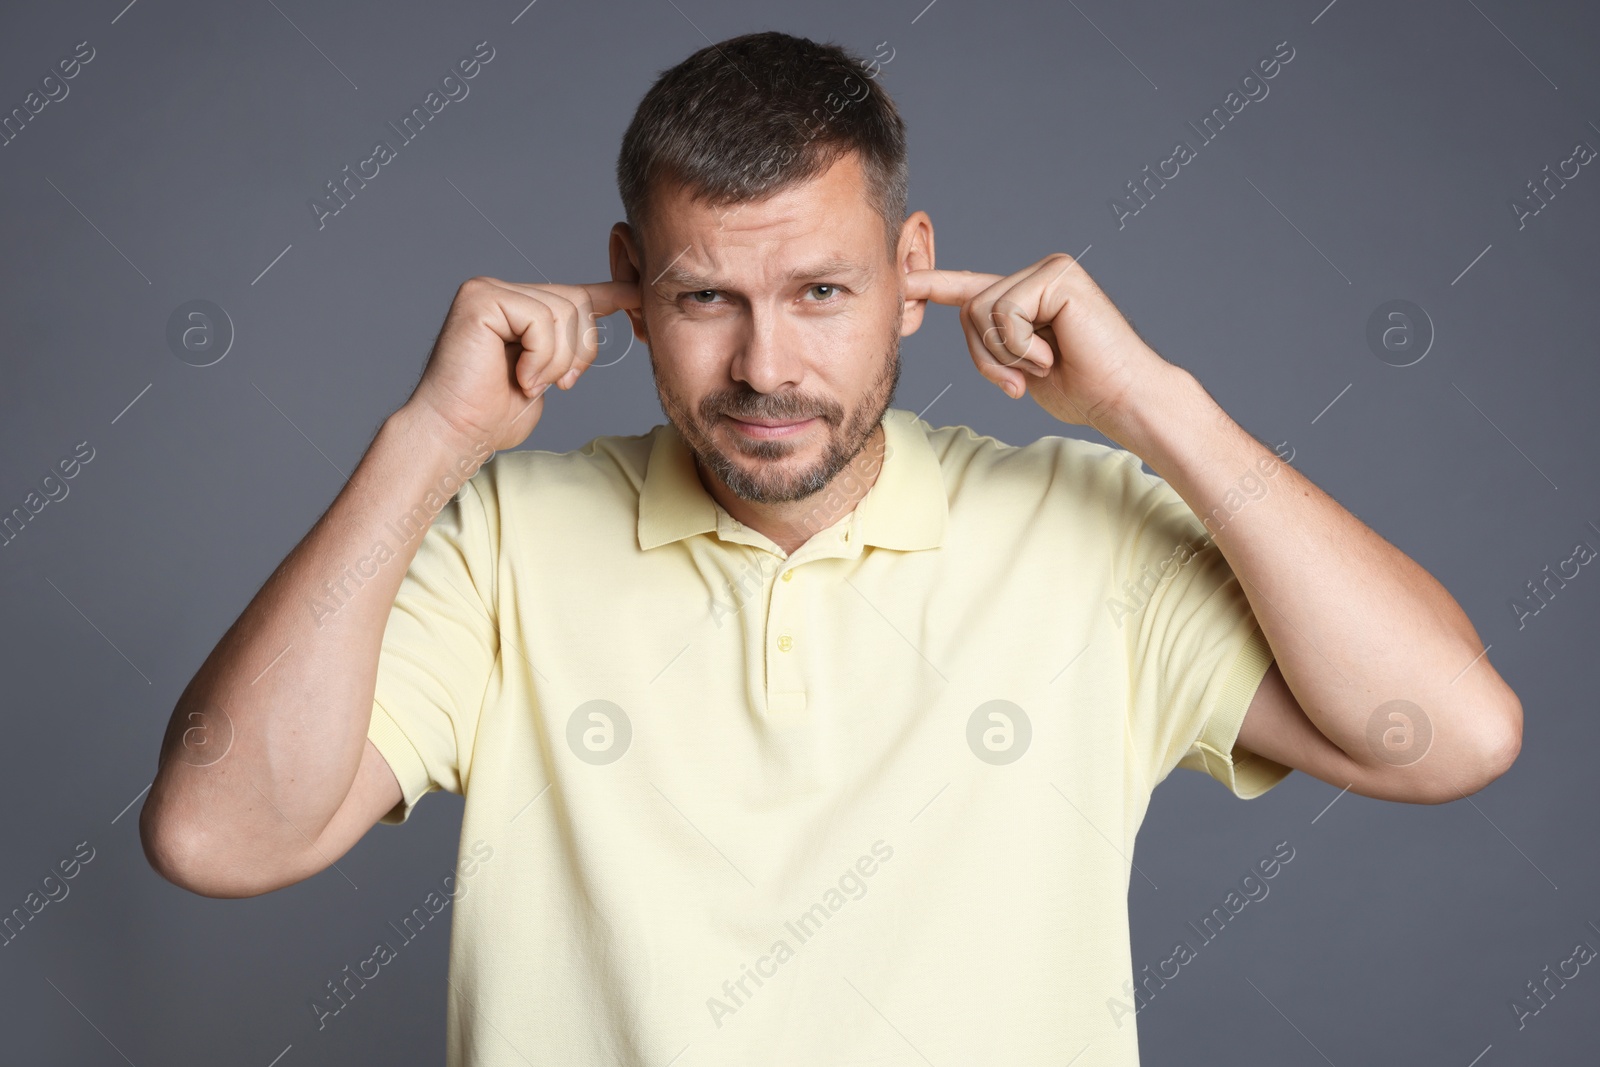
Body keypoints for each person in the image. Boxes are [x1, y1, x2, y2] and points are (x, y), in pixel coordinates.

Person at [140, 29, 1522, 1066]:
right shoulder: (503, 541)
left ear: (911, 273)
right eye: (704, 298)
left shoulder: (1083, 532)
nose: (765, 365)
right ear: (626, 280)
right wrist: (427, 443)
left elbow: (1450, 735)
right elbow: (214, 836)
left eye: (820, 292)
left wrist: (1159, 411)